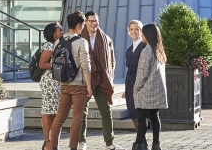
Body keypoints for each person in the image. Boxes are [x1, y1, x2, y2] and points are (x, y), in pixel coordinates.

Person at [47, 11, 92, 150]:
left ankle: (53, 147)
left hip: (64, 83)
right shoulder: (81, 42)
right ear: (78, 25)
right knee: (77, 117)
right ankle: (73, 147)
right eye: (83, 25)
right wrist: (89, 86)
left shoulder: (58, 41)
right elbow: (86, 65)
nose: (83, 27)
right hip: (79, 85)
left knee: (59, 118)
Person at [78, 11, 122, 150]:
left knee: (106, 112)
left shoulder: (105, 38)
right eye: (91, 21)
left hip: (102, 79)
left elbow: (112, 59)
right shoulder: (79, 38)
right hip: (84, 79)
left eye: (96, 20)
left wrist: (110, 74)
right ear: (85, 22)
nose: (94, 23)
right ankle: (81, 142)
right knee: (81, 112)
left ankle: (109, 143)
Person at [132, 23, 168, 150]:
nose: (141, 35)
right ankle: (156, 145)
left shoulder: (146, 51)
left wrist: (136, 89)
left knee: (142, 119)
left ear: (148, 34)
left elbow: (142, 74)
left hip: (146, 91)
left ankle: (137, 145)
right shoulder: (159, 50)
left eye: (143, 33)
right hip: (157, 90)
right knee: (154, 117)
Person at [39, 22, 64, 150]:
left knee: (56, 113)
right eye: (60, 30)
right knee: (48, 112)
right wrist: (57, 66)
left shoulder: (59, 45)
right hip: (50, 82)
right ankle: (47, 142)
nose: (62, 32)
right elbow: (42, 64)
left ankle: (53, 142)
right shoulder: (49, 45)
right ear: (54, 33)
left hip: (57, 82)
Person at [123, 20, 146, 129]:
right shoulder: (129, 49)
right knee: (132, 112)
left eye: (137, 29)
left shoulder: (145, 47)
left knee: (139, 113)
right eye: (131, 29)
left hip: (140, 83)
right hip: (130, 82)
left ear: (141, 31)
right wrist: (126, 89)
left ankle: (142, 138)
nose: (134, 31)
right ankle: (141, 137)